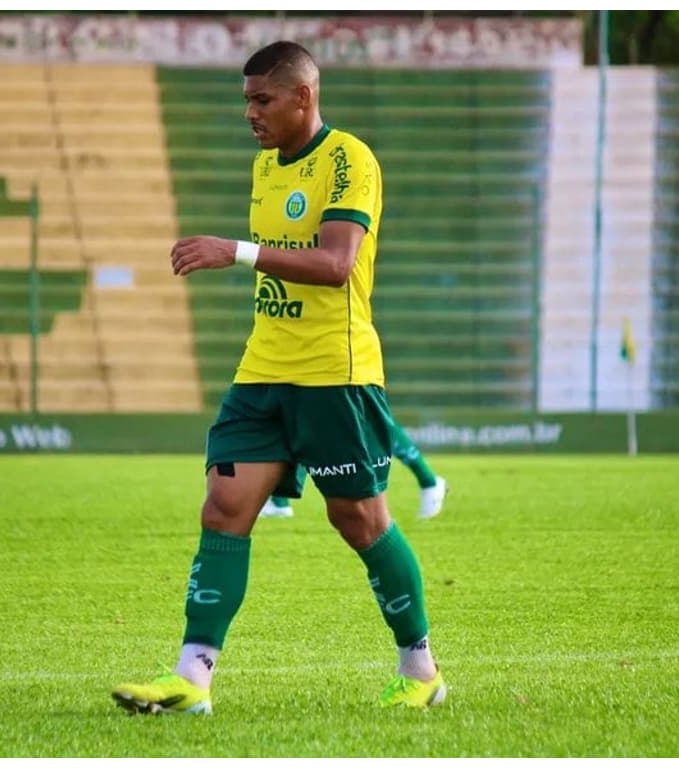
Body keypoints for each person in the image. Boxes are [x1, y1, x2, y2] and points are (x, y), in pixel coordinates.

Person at [111, 40, 446, 716]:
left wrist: (231, 250)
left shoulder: (349, 159)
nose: (250, 114)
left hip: (335, 371)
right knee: (225, 507)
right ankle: (192, 677)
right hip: (265, 368)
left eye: (262, 100)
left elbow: (335, 264)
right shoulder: (266, 168)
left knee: (358, 518)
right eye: (246, 102)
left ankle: (421, 670)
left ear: (303, 96)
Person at [259, 420, 447, 519]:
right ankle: (280, 502)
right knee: (302, 411)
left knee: (370, 416)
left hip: (349, 357)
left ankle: (429, 481)